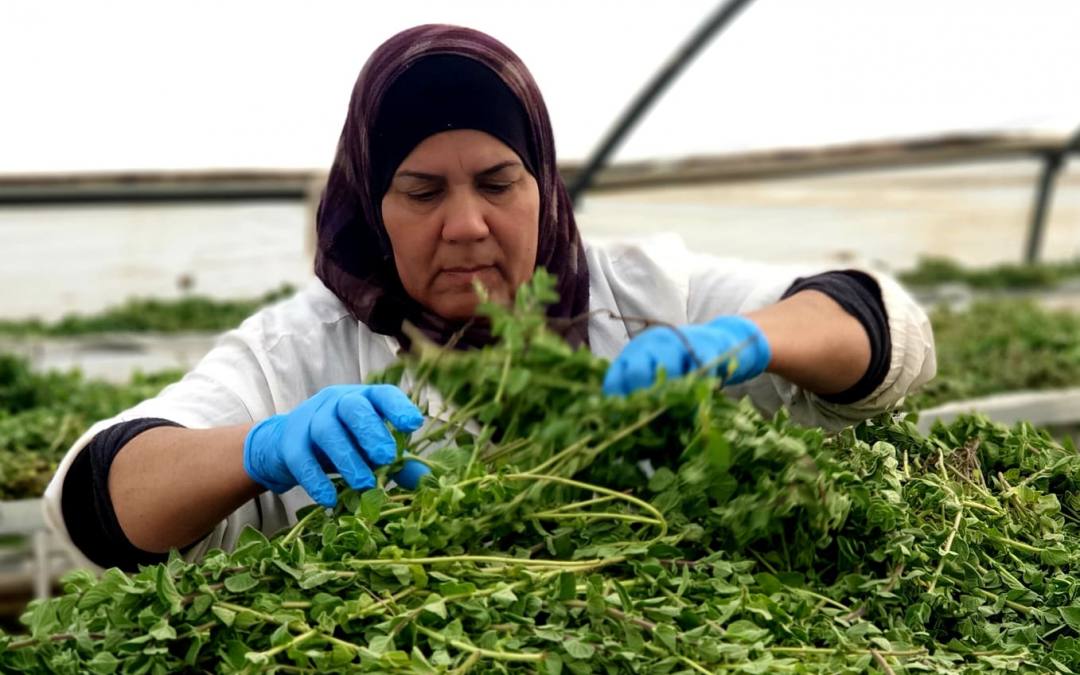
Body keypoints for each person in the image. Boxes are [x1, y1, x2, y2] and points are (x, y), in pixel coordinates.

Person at [43, 24, 935, 572]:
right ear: (371, 206)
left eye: (499, 182)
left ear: (543, 185)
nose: (467, 225)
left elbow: (880, 327)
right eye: (423, 192)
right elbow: (98, 497)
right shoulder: (299, 348)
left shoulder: (642, 292)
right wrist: (262, 445)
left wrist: (745, 338)